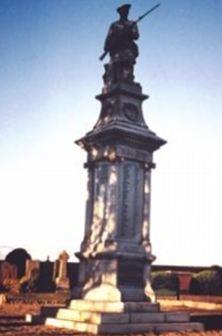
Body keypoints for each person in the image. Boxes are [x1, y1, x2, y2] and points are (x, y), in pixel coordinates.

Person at [102, 4, 139, 85]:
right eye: (123, 11)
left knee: (128, 65)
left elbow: (136, 36)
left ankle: (128, 80)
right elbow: (108, 38)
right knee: (116, 69)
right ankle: (115, 81)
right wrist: (107, 48)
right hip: (116, 50)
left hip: (128, 49)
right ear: (120, 13)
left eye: (127, 11)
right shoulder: (114, 25)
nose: (126, 13)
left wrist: (129, 31)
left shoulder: (132, 23)